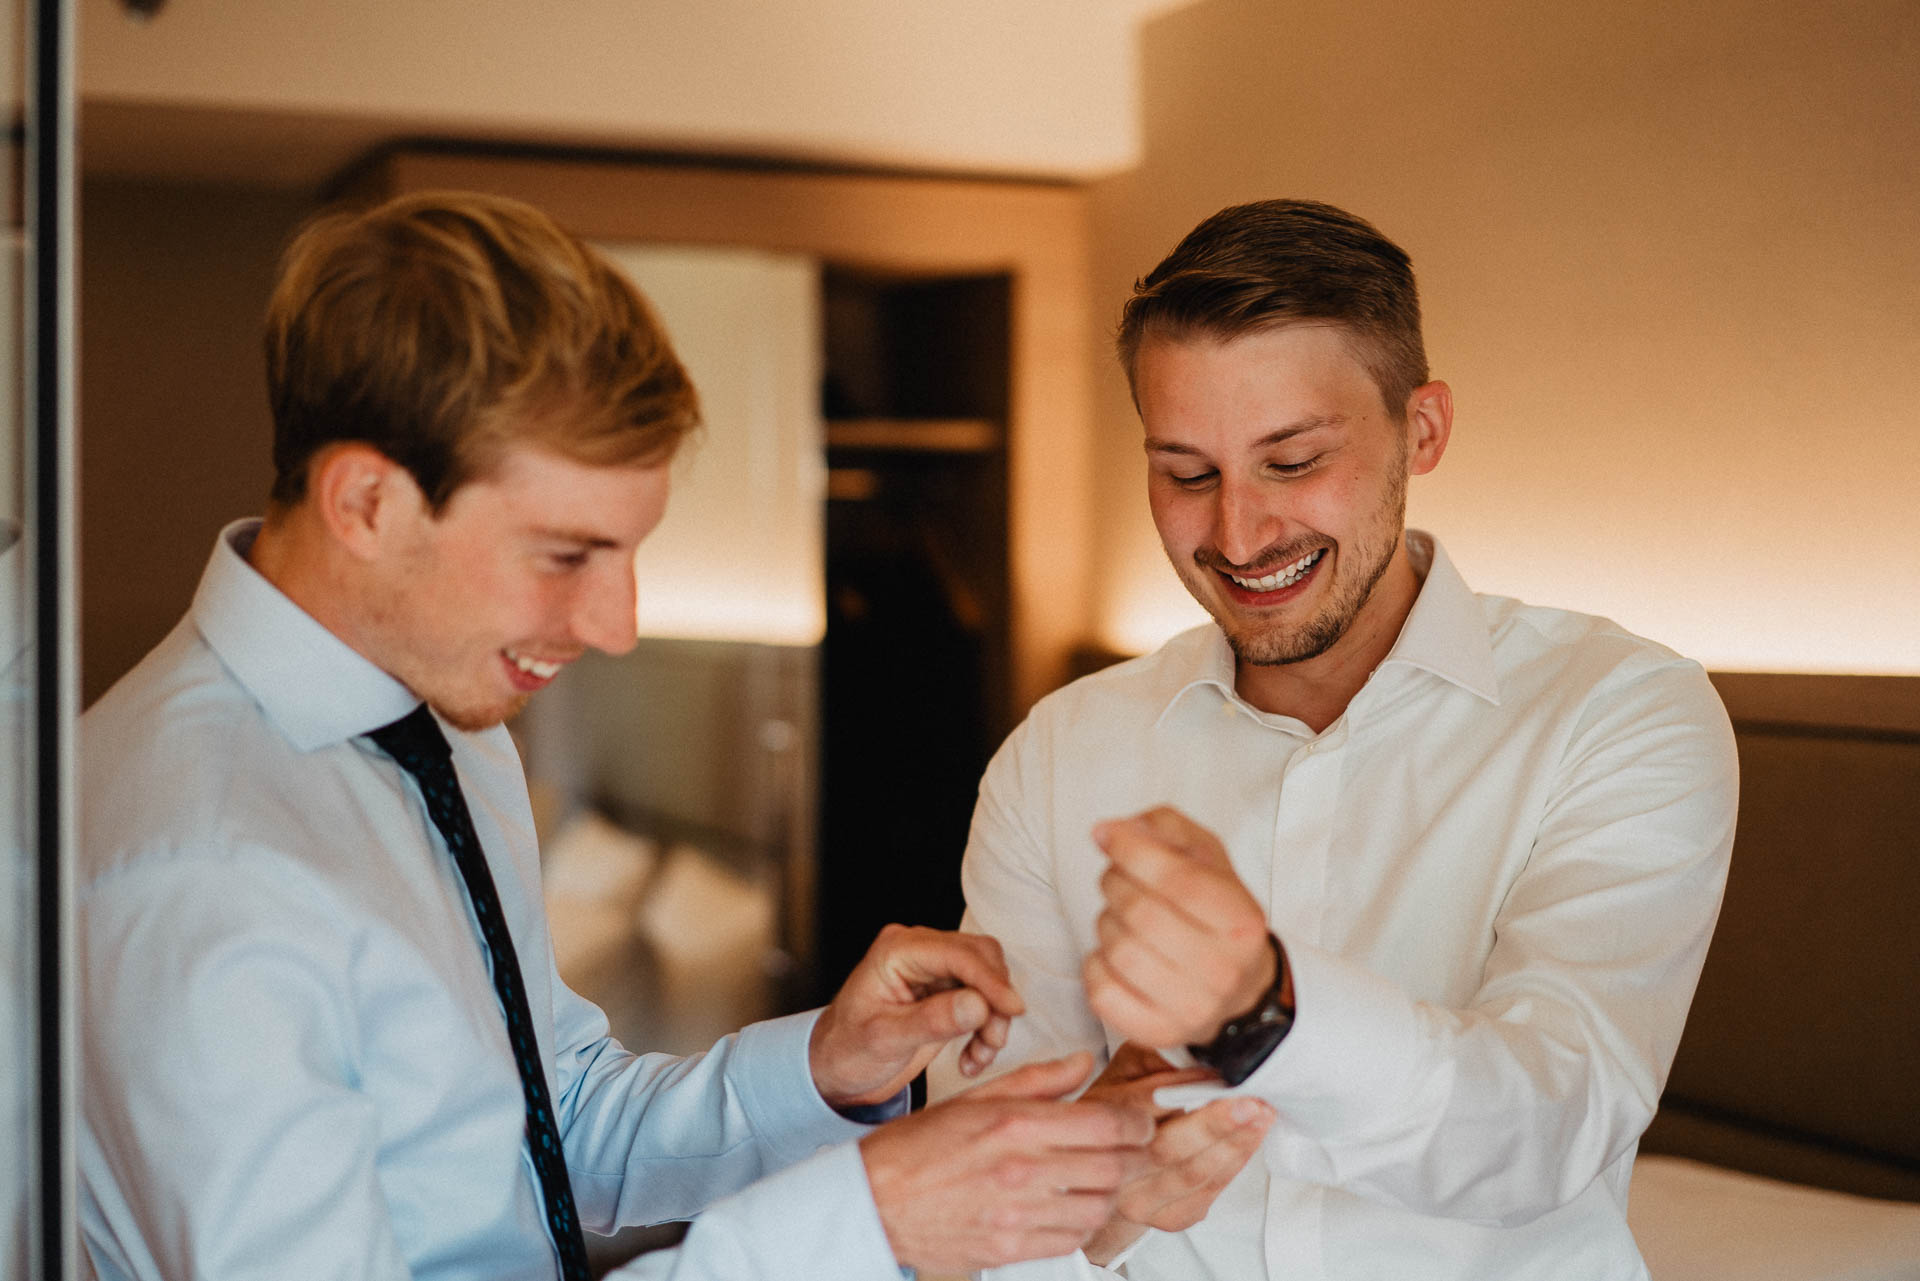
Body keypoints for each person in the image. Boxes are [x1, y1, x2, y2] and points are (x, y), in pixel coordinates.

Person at [77, 191, 1152, 1281]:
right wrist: (864, 1233)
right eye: (565, 555)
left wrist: (824, 1070)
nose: (618, 626)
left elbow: (548, 1125)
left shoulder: (441, 726)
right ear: (365, 503)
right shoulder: (197, 869)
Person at [928, 199, 1739, 1280]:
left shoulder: (1619, 713)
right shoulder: (1061, 751)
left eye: (1293, 460)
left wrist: (1263, 1011)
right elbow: (984, 1185)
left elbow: (1556, 1118)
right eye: (1185, 472)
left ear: (1424, 429)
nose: (1237, 534)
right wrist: (1104, 1199)